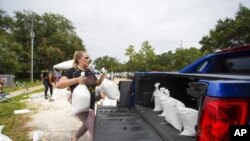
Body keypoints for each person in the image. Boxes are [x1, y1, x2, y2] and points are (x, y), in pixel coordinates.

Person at [56, 51, 105, 141]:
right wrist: (76, 80)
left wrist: (101, 79)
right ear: (79, 59)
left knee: (86, 125)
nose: (89, 60)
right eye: (86, 58)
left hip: (90, 104)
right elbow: (59, 85)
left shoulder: (89, 71)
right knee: (93, 129)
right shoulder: (73, 71)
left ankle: (74, 138)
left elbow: (95, 84)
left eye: (89, 58)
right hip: (81, 105)